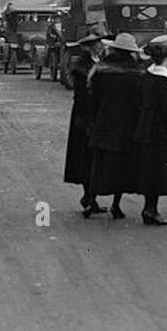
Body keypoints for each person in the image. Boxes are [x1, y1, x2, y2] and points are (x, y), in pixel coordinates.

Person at [123, 35, 167, 225]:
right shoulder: (164, 80)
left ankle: (149, 208)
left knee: (149, 170)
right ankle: (151, 210)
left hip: (145, 128)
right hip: (160, 131)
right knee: (158, 171)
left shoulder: (147, 75)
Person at [86, 33, 146, 219]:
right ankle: (116, 205)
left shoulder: (101, 69)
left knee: (99, 165)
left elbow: (92, 97)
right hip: (126, 125)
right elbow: (140, 101)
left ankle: (90, 201)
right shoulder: (137, 72)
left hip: (103, 123)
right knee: (122, 166)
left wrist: (92, 120)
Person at [63, 32, 103, 213]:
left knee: (91, 157)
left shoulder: (95, 63)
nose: (100, 46)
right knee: (86, 157)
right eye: (96, 44)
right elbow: (83, 96)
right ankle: (88, 197)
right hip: (85, 116)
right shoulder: (83, 68)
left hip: (90, 115)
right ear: (88, 47)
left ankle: (91, 198)